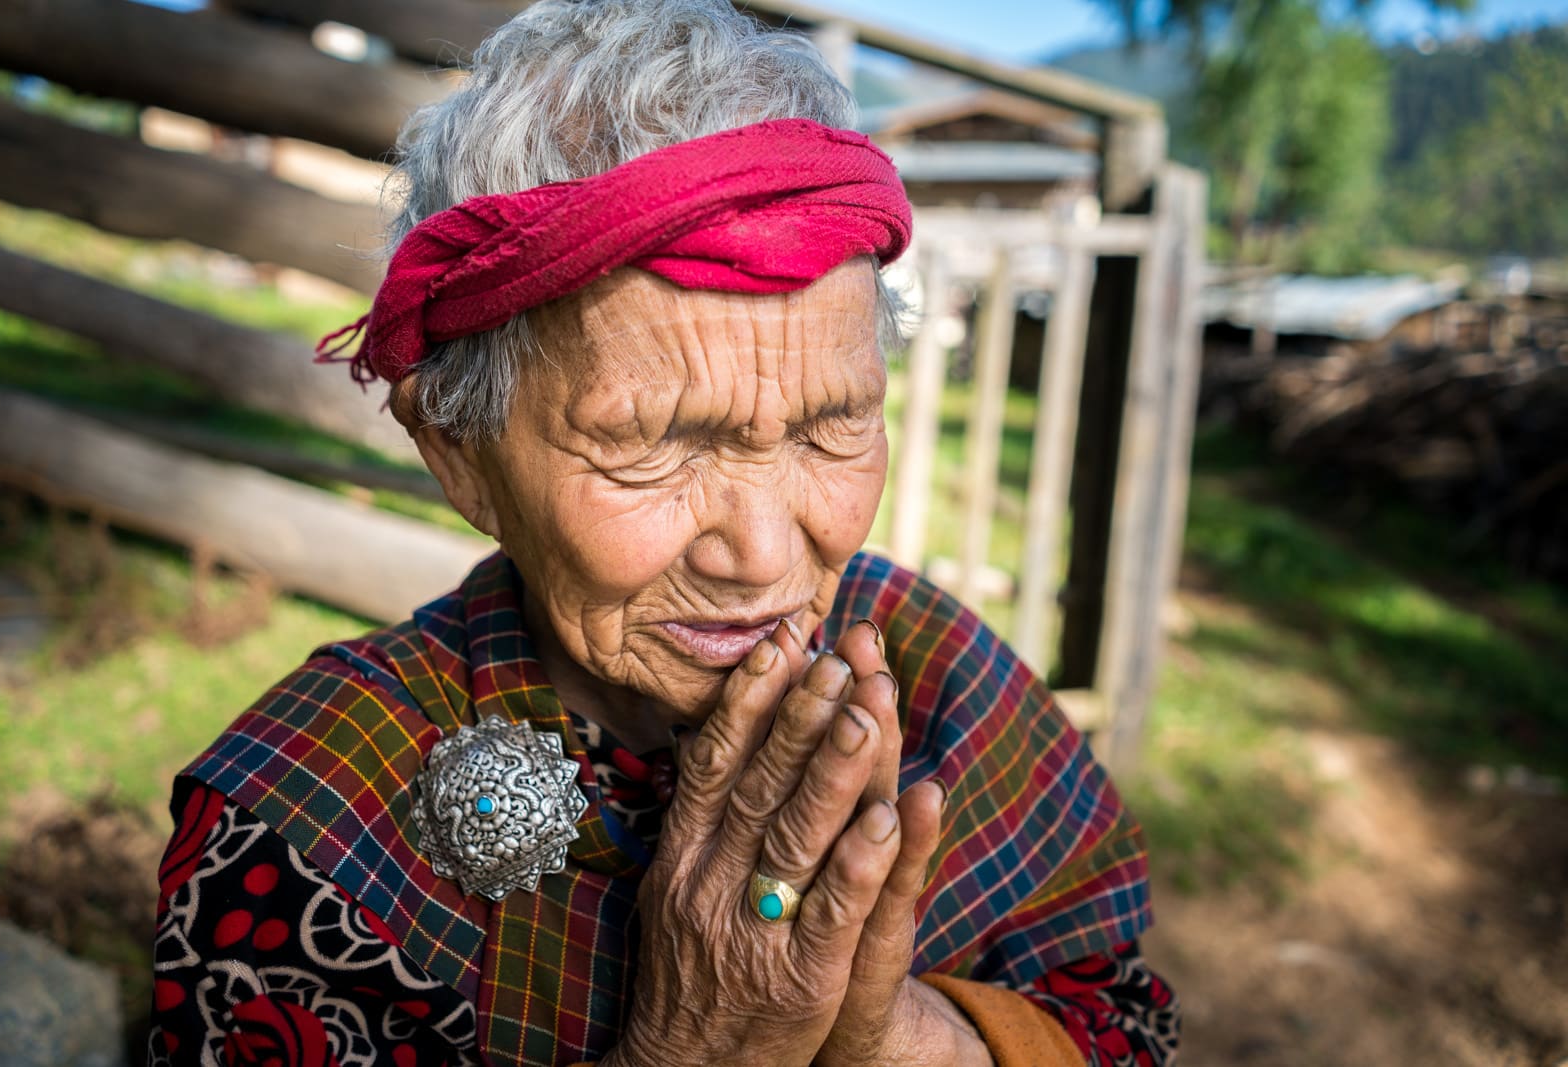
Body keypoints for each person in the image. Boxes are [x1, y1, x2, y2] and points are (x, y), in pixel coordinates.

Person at [149, 1, 1180, 1064]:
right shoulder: (309, 825)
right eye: (651, 447)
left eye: (834, 427)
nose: (769, 556)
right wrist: (692, 1042)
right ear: (459, 450)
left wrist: (886, 1034)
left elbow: (1118, 1016)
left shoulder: (930, 670)